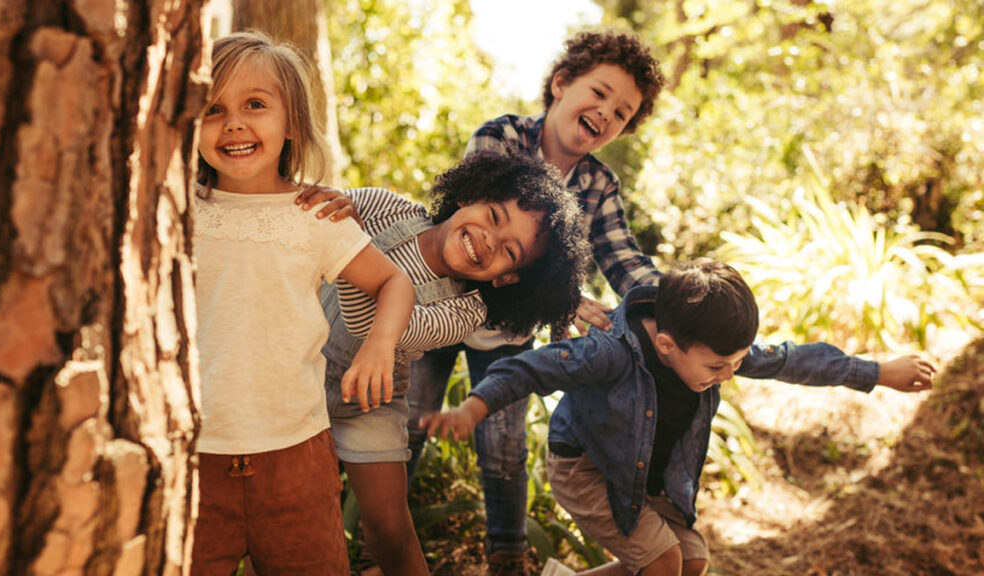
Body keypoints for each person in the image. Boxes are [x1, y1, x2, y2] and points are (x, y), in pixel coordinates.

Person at [420, 259, 937, 576]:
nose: (730, 375)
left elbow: (791, 359)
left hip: (643, 478)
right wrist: (475, 405)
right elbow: (532, 368)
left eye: (736, 363)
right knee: (664, 562)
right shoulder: (611, 353)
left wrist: (877, 371)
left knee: (691, 562)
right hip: (585, 470)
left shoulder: (713, 349)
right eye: (718, 367)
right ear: (667, 345)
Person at [405, 28, 667, 573]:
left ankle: (507, 556)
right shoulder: (499, 137)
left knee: (503, 446)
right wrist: (563, 296)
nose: (605, 113)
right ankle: (383, 537)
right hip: (435, 310)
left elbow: (623, 260)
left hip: (507, 333)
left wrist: (675, 300)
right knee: (410, 424)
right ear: (562, 83)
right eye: (599, 93)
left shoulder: (599, 184)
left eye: (621, 113)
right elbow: (472, 227)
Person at [190, 31, 415, 575]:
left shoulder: (316, 216)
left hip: (296, 457)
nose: (234, 123)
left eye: (256, 105)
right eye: (212, 109)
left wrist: (379, 346)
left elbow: (394, 283)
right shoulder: (173, 207)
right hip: (192, 457)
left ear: (291, 123)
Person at [320, 150, 591, 576]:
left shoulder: (465, 312)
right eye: (495, 216)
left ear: (507, 279)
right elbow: (319, 213)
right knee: (291, 505)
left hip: (368, 403)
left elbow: (369, 325)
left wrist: (347, 243)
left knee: (390, 528)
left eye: (509, 251)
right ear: (469, 195)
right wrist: (329, 208)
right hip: (296, 373)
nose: (488, 240)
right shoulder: (389, 208)